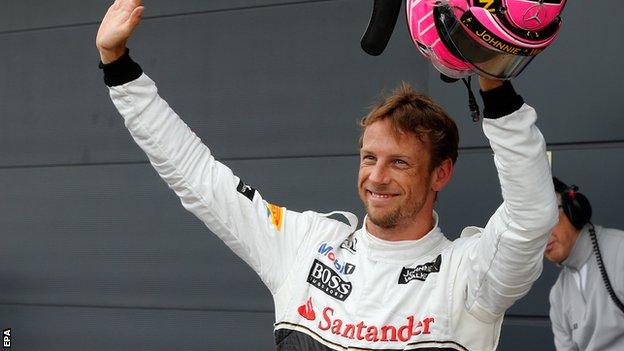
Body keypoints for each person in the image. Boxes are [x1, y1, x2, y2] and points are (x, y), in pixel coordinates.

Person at [95, 0, 558, 349]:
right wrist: (119, 69)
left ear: (441, 174)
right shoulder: (303, 244)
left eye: (399, 163)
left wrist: (493, 76)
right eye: (369, 158)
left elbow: (532, 216)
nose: (377, 177)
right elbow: (197, 177)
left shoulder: (470, 274)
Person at [546, 177, 624, 351]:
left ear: (573, 210)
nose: (542, 237)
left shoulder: (620, 252)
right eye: (532, 232)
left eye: (547, 221)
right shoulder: (558, 295)